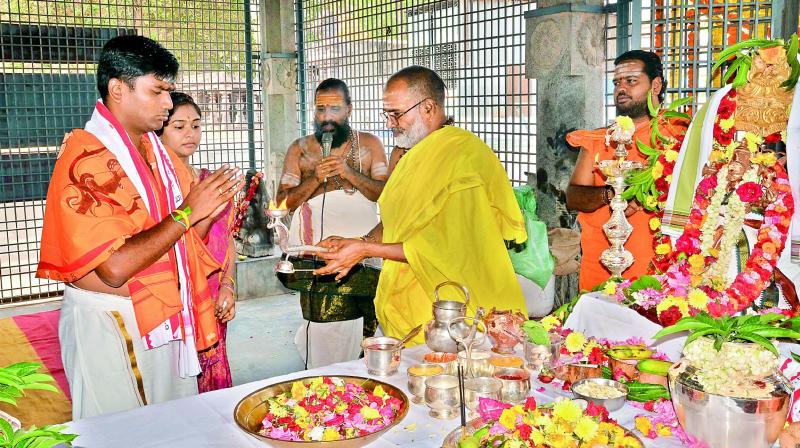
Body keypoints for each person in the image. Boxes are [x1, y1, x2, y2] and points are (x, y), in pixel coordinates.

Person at [36, 35, 242, 418]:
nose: (168, 102)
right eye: (158, 91)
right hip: (111, 320)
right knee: (119, 433)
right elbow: (114, 268)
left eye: (170, 91)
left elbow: (178, 248)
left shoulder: (157, 154)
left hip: (162, 312)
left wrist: (204, 215)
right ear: (118, 89)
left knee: (170, 427)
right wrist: (187, 214)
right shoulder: (87, 158)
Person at [314, 66, 527, 346]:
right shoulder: (408, 155)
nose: (390, 123)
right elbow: (398, 219)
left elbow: (448, 245)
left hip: (457, 309)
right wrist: (359, 242)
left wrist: (366, 250)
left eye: (396, 114)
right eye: (386, 114)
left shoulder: (462, 156)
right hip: (409, 304)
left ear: (428, 107)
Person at [276, 78, 388, 368]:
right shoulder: (300, 150)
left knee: (370, 332)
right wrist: (315, 178)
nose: (326, 117)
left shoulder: (370, 146)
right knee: (325, 336)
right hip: (318, 260)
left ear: (349, 110)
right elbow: (281, 204)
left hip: (367, 256)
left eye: (334, 109)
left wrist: (349, 173)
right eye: (321, 109)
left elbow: (387, 196)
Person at [565, 50, 689, 291]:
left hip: (656, 267)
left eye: (631, 81)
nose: (621, 88)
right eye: (617, 82)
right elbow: (573, 196)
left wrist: (649, 193)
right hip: (600, 265)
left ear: (656, 85)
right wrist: (615, 193)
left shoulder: (678, 134)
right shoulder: (599, 138)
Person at [156, 91, 235, 392]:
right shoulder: (159, 188)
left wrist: (228, 284)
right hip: (181, 301)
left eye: (196, 125)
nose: (190, 133)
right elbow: (177, 251)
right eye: (179, 126)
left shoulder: (207, 180)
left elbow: (227, 240)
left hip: (215, 297)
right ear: (159, 131)